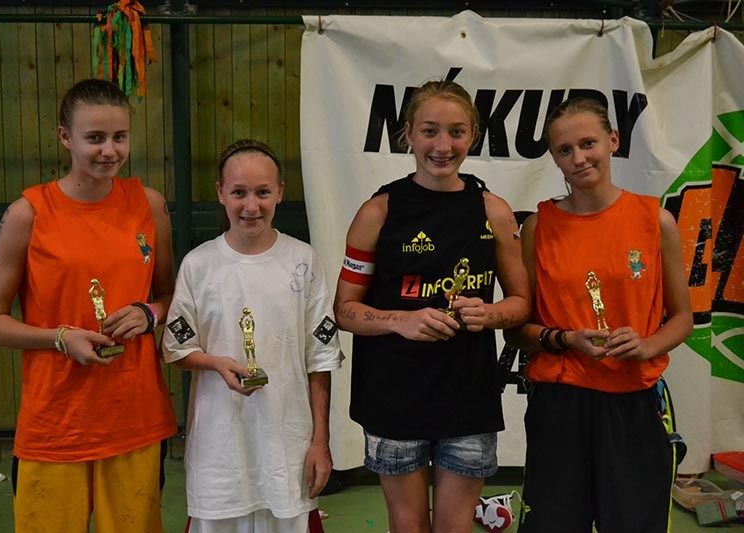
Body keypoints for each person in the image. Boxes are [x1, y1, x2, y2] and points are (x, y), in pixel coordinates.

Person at [0, 78, 177, 532]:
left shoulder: (148, 205)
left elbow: (170, 296)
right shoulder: (29, 213)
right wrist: (61, 338)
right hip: (55, 425)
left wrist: (149, 314)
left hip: (135, 418)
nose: (109, 150)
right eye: (95, 138)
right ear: (65, 137)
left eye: (120, 137)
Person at [334, 79, 531, 533]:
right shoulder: (377, 212)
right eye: (429, 131)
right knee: (407, 525)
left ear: (473, 135)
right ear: (408, 134)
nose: (443, 146)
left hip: (468, 396)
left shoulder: (494, 211)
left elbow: (521, 303)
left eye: (456, 132)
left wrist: (489, 314)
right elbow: (344, 310)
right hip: (393, 397)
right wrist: (401, 320)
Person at [504, 97, 693, 532]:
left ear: (613, 141)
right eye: (564, 150)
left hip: (634, 403)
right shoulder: (538, 227)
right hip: (559, 405)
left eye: (588, 143)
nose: (578, 158)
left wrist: (646, 345)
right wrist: (565, 339)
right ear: (554, 158)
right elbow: (517, 331)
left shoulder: (655, 220)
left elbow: (682, 318)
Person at [161, 139, 342, 533]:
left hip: (287, 447)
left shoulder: (304, 260)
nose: (251, 206)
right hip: (219, 452)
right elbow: (176, 347)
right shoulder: (198, 265)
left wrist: (320, 441)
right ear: (220, 193)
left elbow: (321, 359)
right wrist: (214, 363)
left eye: (262, 192)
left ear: (280, 192)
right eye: (239, 193)